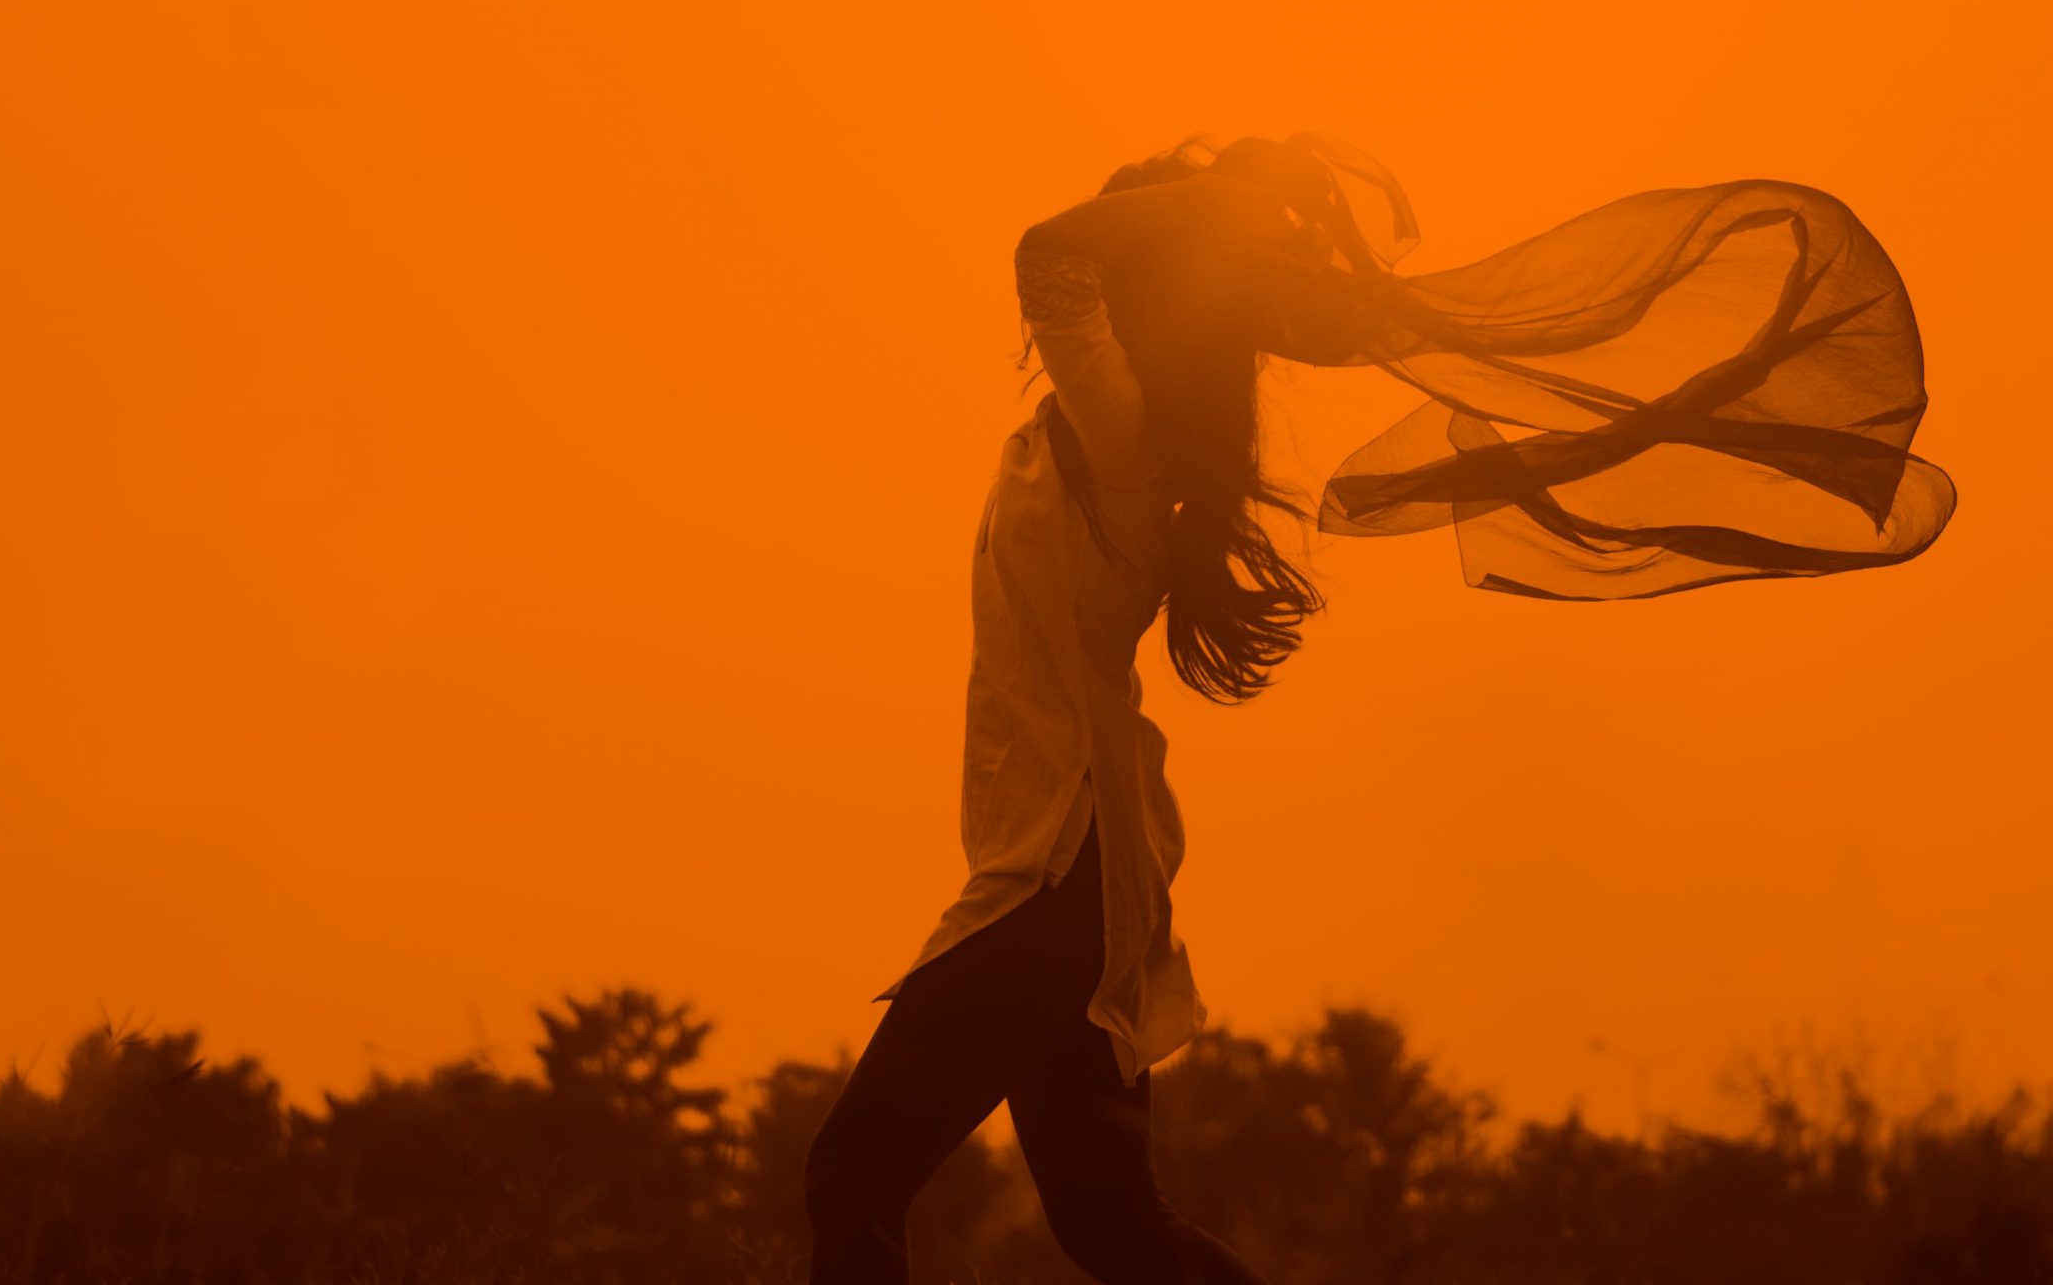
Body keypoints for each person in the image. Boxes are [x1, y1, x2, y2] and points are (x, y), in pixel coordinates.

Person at [800, 132, 1956, 1285]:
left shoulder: (1122, 424)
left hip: (1054, 877)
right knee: (1113, 1229)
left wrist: (1209, 207)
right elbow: (1071, 259)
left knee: (854, 1178)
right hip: (1070, 871)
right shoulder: (1114, 427)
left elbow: (1048, 253)